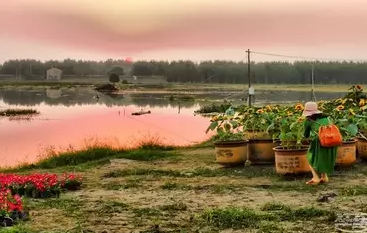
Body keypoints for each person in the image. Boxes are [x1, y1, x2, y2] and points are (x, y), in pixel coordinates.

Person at [303, 102, 337, 185]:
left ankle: (315, 178)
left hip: (319, 141)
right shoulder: (327, 118)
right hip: (332, 140)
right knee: (324, 158)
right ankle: (324, 177)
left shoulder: (308, 121)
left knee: (310, 157)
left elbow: (306, 135)